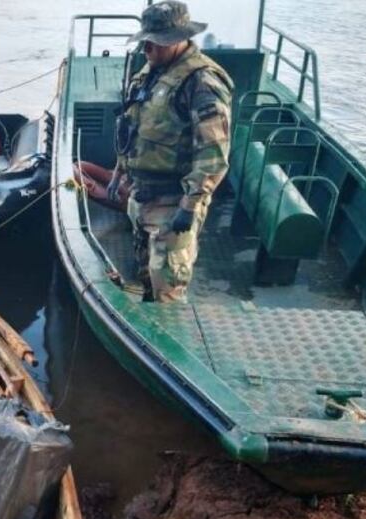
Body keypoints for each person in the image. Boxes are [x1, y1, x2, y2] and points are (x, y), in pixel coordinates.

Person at [107, 0, 233, 302]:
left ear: (179, 39)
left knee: (168, 286)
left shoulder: (201, 82)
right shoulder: (150, 72)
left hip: (174, 199)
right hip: (143, 196)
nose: (148, 49)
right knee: (145, 273)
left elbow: (213, 154)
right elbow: (133, 128)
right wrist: (119, 171)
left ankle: (161, 330)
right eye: (146, 42)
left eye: (156, 43)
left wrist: (189, 207)